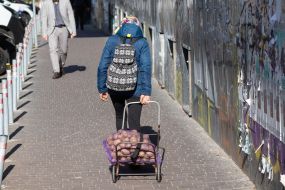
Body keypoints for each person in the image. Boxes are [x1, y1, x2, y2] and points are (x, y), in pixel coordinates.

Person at [97, 16, 152, 131]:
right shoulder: (142, 43)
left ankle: (122, 146)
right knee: (134, 121)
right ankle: (134, 148)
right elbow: (145, 68)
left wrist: (102, 89)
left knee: (119, 116)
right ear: (138, 27)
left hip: (115, 86)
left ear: (122, 26)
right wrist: (146, 91)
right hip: (136, 88)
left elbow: (102, 66)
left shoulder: (112, 40)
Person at [41, 0, 76, 79]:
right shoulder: (46, 3)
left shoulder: (66, 1)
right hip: (52, 30)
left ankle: (60, 65)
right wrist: (44, 32)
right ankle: (56, 71)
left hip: (64, 28)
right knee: (53, 50)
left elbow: (71, 15)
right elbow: (43, 17)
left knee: (64, 50)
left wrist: (73, 30)